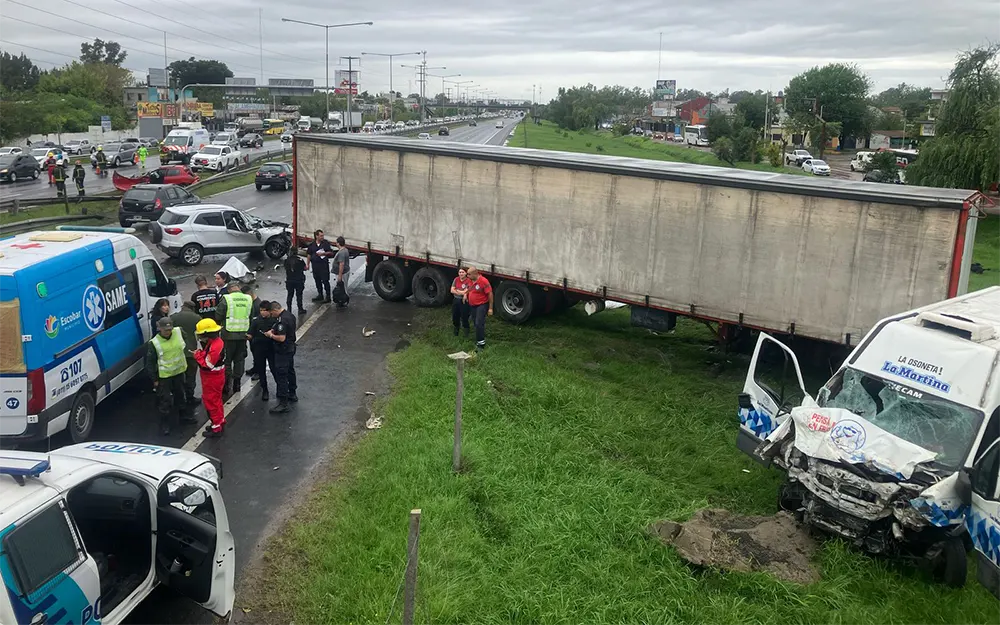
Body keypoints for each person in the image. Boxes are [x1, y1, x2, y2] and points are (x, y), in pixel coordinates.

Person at [145, 317, 195, 435]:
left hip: (179, 372)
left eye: (170, 329)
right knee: (165, 400)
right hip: (165, 376)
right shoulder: (154, 343)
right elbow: (150, 363)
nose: (168, 332)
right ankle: (165, 424)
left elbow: (185, 340)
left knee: (180, 395)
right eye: (165, 330)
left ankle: (183, 417)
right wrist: (155, 379)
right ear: (160, 329)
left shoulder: (178, 332)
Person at [215, 282, 252, 398]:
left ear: (229, 290)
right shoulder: (248, 299)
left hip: (228, 335)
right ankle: (237, 383)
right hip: (243, 334)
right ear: (239, 288)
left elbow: (218, 315)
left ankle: (227, 384)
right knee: (239, 359)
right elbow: (250, 316)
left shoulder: (227, 298)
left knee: (227, 360)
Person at [194, 318, 227, 438]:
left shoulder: (215, 346)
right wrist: (201, 353)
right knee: (217, 400)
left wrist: (197, 356)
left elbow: (207, 365)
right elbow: (208, 354)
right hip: (215, 376)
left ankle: (216, 427)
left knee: (211, 402)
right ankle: (220, 420)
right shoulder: (215, 342)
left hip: (212, 378)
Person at [265, 301, 297, 413]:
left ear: (274, 310)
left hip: (283, 350)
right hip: (291, 347)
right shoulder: (289, 315)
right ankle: (292, 393)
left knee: (281, 374)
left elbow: (281, 338)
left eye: (271, 313)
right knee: (290, 370)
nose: (272, 315)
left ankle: (283, 403)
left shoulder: (282, 320)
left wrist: (271, 335)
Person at [171, 300, 202, 407]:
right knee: (190, 376)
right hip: (191, 352)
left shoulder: (174, 317)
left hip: (178, 351)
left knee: (179, 376)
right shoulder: (197, 318)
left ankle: (179, 397)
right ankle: (190, 397)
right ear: (193, 308)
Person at [248, 301, 276, 398]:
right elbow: (250, 334)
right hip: (258, 349)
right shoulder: (256, 321)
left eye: (265, 310)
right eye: (261, 310)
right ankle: (265, 390)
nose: (262, 312)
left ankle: (281, 389)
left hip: (271, 348)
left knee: (274, 369)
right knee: (261, 370)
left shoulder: (274, 320)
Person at [465, 266, 494, 351]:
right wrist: (465, 295)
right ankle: (478, 339)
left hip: (481, 305)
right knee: (475, 323)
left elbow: (490, 294)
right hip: (472, 305)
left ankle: (481, 344)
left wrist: (490, 308)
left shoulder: (483, 281)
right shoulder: (470, 280)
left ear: (475, 274)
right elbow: (469, 289)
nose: (467, 276)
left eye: (469, 274)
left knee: (479, 323)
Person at [306, 229, 334, 303]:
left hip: (323, 265)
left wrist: (324, 253)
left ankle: (328, 296)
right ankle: (320, 294)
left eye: (323, 236)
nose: (322, 237)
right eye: (321, 236)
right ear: (316, 236)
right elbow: (309, 254)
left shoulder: (325, 243)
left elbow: (331, 252)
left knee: (325, 281)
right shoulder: (312, 245)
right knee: (317, 280)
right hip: (315, 265)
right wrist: (308, 264)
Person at [284, 250, 307, 315]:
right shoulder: (300, 260)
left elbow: (285, 268)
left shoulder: (286, 260)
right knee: (299, 295)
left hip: (289, 280)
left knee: (289, 295)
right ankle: (300, 309)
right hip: (299, 280)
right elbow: (305, 268)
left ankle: (289, 309)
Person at [451, 267, 471, 337]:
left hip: (464, 301)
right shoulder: (456, 279)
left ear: (466, 273)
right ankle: (456, 330)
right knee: (455, 316)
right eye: (460, 272)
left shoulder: (469, 280)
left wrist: (457, 290)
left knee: (464, 317)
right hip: (456, 300)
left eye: (463, 272)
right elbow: (452, 290)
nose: (461, 274)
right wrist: (461, 292)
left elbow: (466, 291)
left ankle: (466, 333)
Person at [331, 236, 351, 308]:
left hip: (343, 273)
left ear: (338, 243)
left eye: (336, 242)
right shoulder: (345, 250)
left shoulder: (341, 252)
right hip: (345, 272)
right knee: (344, 287)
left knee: (343, 288)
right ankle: (343, 300)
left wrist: (340, 275)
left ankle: (343, 301)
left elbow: (341, 264)